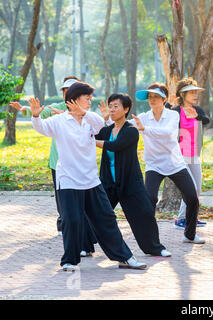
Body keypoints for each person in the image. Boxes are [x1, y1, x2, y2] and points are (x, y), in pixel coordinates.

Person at [30, 81, 147, 271]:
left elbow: (101, 123)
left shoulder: (90, 120)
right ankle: (69, 260)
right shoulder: (60, 121)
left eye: (90, 98)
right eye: (87, 98)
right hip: (68, 180)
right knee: (72, 220)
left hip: (91, 180)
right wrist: (35, 115)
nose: (90, 101)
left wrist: (83, 113)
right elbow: (41, 127)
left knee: (107, 218)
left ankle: (125, 257)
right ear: (74, 100)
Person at [10, 76, 97, 257]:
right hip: (59, 164)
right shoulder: (56, 108)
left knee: (86, 208)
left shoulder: (87, 113)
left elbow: (99, 124)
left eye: (71, 90)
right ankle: (66, 230)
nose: (68, 94)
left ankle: (85, 242)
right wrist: (27, 111)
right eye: (66, 91)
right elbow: (40, 117)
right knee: (65, 205)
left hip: (83, 170)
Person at [95, 93, 171, 257]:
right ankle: (84, 245)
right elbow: (90, 134)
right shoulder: (107, 130)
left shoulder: (131, 130)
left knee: (144, 214)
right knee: (95, 214)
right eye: (110, 106)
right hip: (108, 183)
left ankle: (155, 247)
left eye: (116, 106)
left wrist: (92, 142)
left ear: (126, 109)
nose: (112, 109)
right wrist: (102, 120)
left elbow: (114, 146)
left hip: (130, 184)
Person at [134, 83, 205, 244]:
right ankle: (149, 239)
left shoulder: (173, 115)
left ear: (164, 99)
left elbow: (168, 133)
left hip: (175, 163)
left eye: (156, 97)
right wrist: (108, 119)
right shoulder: (144, 117)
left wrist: (145, 129)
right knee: (150, 199)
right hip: (154, 165)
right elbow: (125, 126)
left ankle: (190, 235)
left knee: (192, 198)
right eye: (150, 97)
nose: (152, 100)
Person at [171, 77, 210, 230]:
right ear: (182, 95)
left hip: (194, 154)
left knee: (197, 188)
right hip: (179, 155)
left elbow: (206, 120)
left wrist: (197, 117)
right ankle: (182, 219)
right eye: (191, 93)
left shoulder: (198, 110)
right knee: (190, 188)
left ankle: (191, 218)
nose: (195, 95)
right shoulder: (175, 111)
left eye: (195, 92)